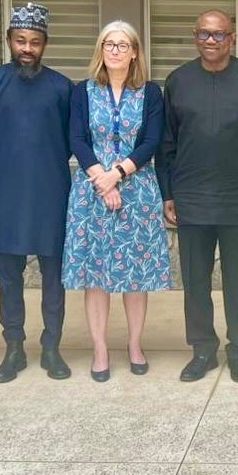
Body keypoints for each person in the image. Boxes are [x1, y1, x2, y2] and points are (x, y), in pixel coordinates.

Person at [157, 10, 238, 384]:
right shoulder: (178, 81)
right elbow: (167, 143)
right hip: (191, 197)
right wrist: (168, 193)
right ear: (195, 37)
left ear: (233, 38)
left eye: (219, 35)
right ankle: (202, 350)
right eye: (205, 35)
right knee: (195, 280)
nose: (211, 41)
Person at [63, 21, 170, 382]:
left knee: (135, 276)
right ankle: (100, 349)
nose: (115, 51)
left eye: (123, 45)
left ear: (135, 52)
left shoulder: (151, 93)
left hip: (137, 190)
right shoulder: (82, 91)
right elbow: (76, 138)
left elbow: (151, 141)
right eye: (109, 44)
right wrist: (102, 180)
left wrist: (118, 175)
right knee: (96, 275)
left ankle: (135, 344)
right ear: (101, 50)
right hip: (92, 191)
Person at [0, 2, 73, 383]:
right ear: (9, 41)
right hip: (5, 194)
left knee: (54, 277)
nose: (27, 49)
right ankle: (14, 348)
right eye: (21, 41)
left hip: (51, 193)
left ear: (45, 44)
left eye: (35, 41)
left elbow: (68, 140)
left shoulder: (63, 87)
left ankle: (52, 347)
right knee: (8, 277)